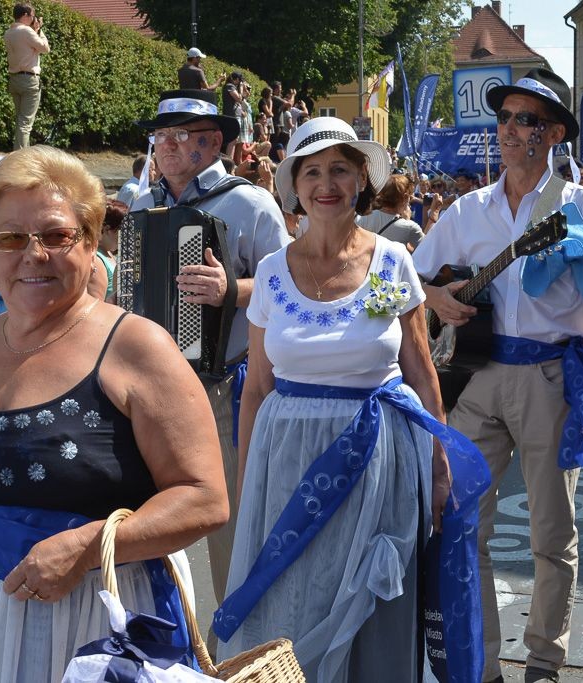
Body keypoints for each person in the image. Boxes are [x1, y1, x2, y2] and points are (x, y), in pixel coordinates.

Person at [0, 145, 228, 681]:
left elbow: (204, 498)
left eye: (56, 235)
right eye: (9, 238)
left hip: (81, 631)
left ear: (88, 240)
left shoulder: (137, 348)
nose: (33, 254)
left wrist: (85, 546)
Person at [216, 117, 472, 681]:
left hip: (378, 463)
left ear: (361, 180)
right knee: (293, 598)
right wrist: (247, 480)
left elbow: (423, 376)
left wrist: (440, 467)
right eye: (312, 172)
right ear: (295, 185)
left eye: (339, 170)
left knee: (370, 602)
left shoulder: (392, 261)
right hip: (286, 465)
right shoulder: (270, 272)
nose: (325, 184)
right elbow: (257, 388)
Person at [413, 68, 583, 683]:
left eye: (525, 120)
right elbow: (410, 278)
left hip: (549, 378)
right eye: (505, 118)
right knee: (463, 528)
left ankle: (544, 661)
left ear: (555, 134)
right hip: (477, 375)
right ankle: (482, 664)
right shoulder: (467, 209)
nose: (509, 130)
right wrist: (437, 301)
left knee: (551, 535)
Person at [132, 89, 289, 605]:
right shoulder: (143, 203)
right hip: (148, 386)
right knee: (146, 519)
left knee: (229, 523)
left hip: (222, 384)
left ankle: (235, 649)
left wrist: (230, 291)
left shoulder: (248, 201)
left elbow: (288, 287)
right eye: (161, 136)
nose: (168, 146)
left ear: (215, 142)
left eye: (182, 136)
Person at [3, 3, 50, 150]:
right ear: (24, 15)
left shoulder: (9, 33)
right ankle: (21, 158)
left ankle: (20, 153)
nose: (33, 18)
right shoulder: (26, 32)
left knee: (20, 121)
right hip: (29, 80)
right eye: (31, 16)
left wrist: (34, 29)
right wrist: (39, 30)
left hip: (14, 79)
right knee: (25, 124)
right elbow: (45, 48)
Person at [356, 174, 424, 252]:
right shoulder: (411, 227)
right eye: (410, 197)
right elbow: (427, 253)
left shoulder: (361, 218)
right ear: (405, 197)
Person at [95, 198, 125, 303]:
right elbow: (96, 305)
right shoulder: (96, 260)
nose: (124, 237)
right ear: (107, 229)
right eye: (121, 231)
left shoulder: (109, 254)